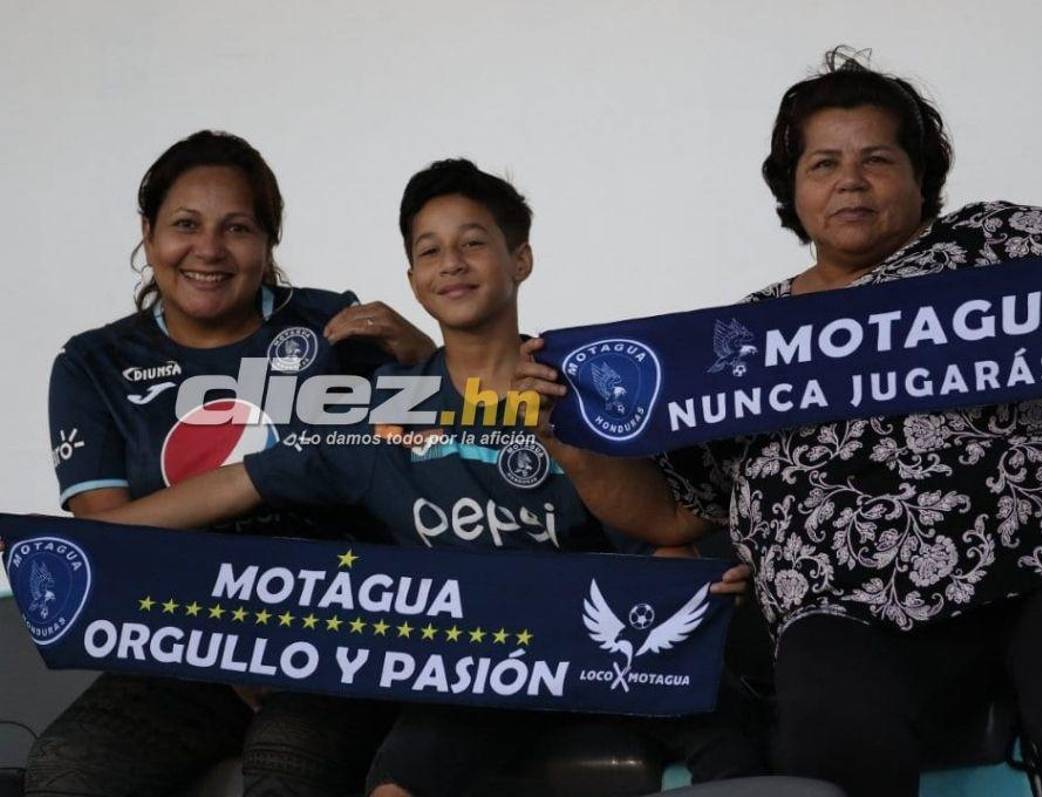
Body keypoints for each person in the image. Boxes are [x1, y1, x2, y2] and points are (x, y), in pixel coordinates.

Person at [514, 48, 1042, 797]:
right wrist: (567, 436)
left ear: (919, 176)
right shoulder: (740, 340)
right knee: (832, 747)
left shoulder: (1000, 244)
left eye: (877, 158)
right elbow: (672, 512)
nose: (850, 180)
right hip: (843, 604)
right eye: (823, 164)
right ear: (793, 189)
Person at [85, 159, 763, 796]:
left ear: (520, 260)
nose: (452, 263)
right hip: (477, 669)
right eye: (430, 250)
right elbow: (239, 482)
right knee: (394, 787)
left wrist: (688, 574)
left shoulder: (582, 384)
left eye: (473, 243)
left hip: (610, 651)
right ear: (413, 280)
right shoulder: (384, 410)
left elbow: (663, 535)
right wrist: (88, 538)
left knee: (740, 756)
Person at [26, 130, 435, 797]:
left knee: (287, 758)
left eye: (237, 228)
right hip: (177, 641)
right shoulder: (93, 364)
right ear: (148, 234)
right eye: (185, 224)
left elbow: (437, 463)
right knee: (69, 768)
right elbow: (106, 542)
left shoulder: (334, 326)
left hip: (335, 630)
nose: (209, 250)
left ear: (269, 242)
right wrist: (266, 477)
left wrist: (424, 359)